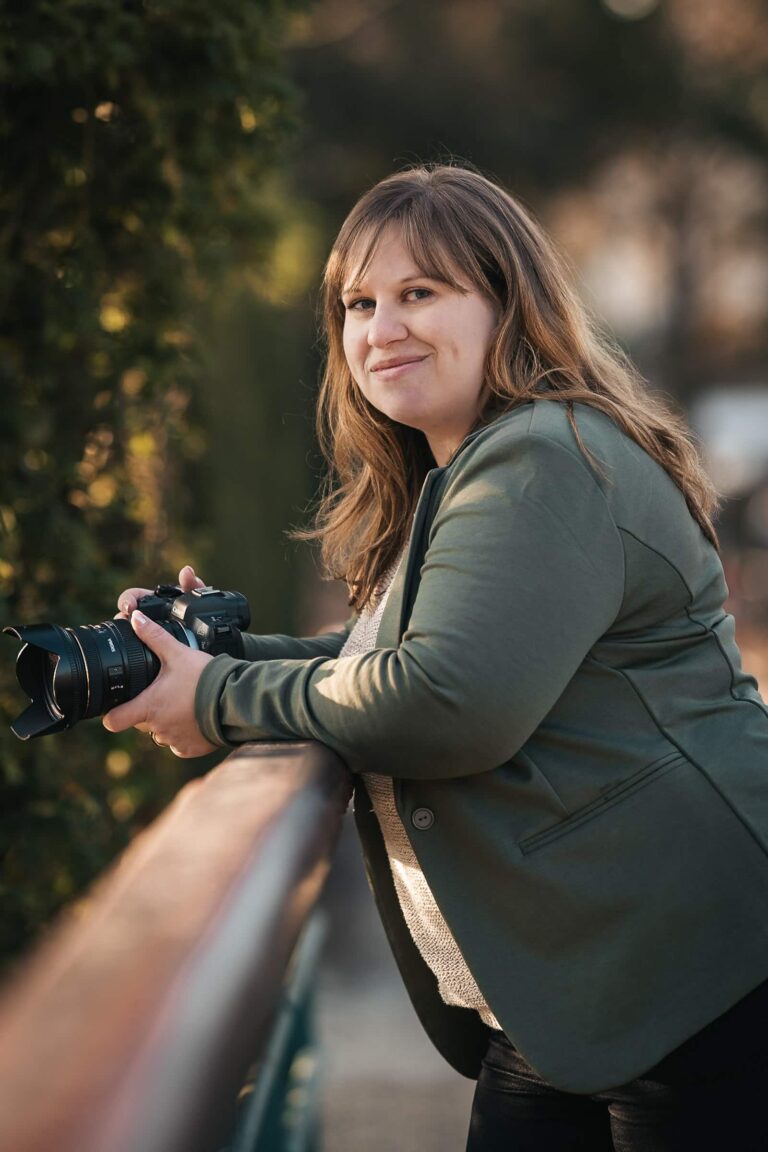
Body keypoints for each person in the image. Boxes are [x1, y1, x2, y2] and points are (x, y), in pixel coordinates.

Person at [107, 164, 768, 1151]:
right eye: (358, 303)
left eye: (422, 292)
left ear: (508, 302)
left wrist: (221, 696)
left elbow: (448, 702)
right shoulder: (472, 468)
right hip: (569, 987)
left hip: (692, 975)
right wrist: (205, 654)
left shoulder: (542, 457)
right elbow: (391, 658)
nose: (381, 328)